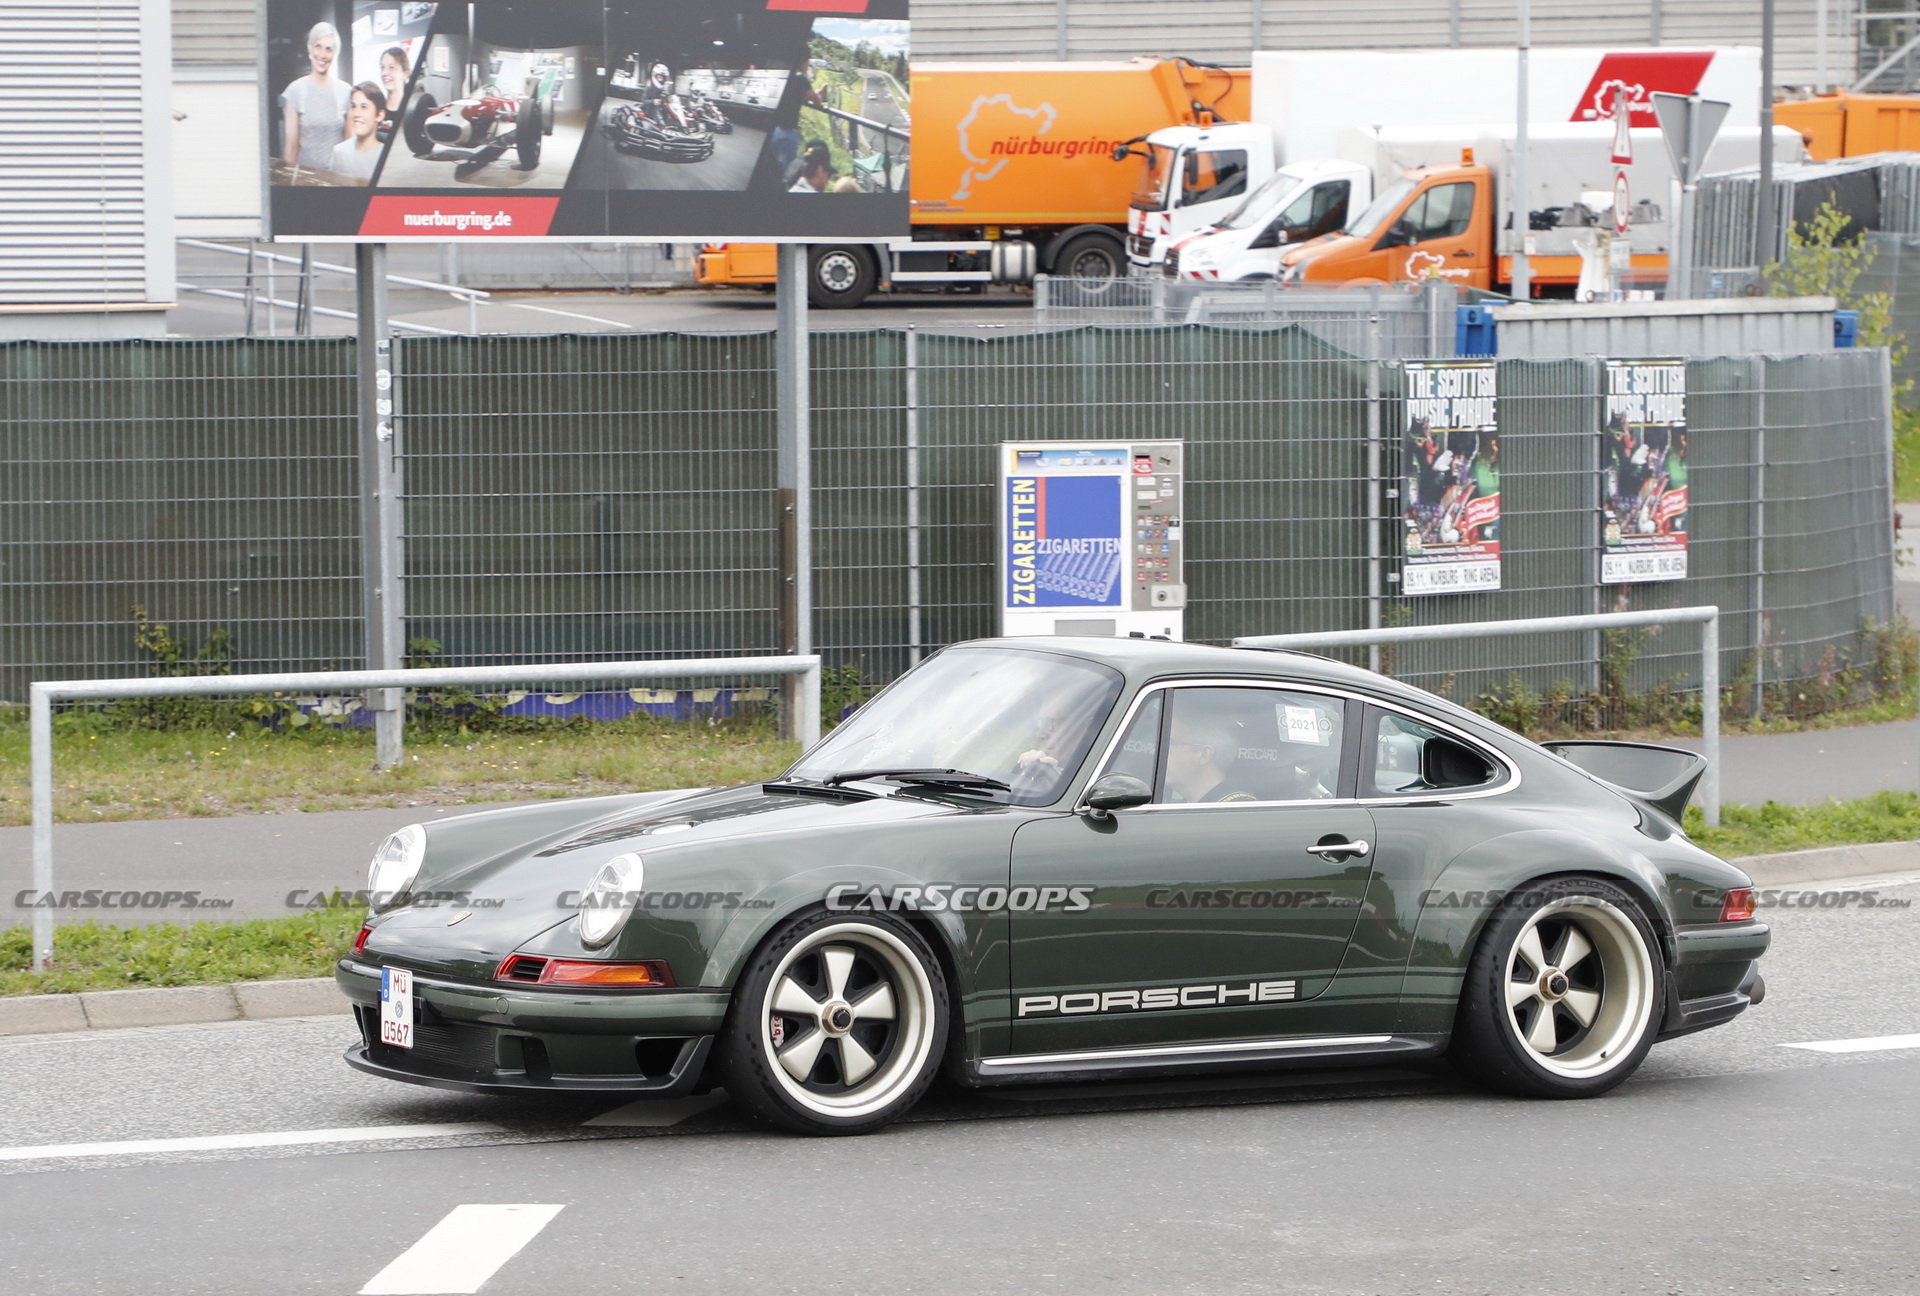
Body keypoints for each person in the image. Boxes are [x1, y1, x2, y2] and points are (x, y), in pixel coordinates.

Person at [280, 22, 351, 173]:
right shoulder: (295, 91)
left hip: (338, 179)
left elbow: (350, 145)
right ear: (310, 48)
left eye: (329, 49)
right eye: (318, 46)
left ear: (334, 53)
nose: (323, 55)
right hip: (304, 180)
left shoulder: (346, 91)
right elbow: (292, 146)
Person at [328, 82, 387, 182]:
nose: (356, 113)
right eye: (353, 106)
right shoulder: (339, 152)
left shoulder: (386, 156)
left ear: (379, 115)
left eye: (364, 107)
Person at [378, 45, 410, 114]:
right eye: (382, 68)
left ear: (405, 74)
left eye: (391, 67)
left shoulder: (412, 111)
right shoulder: (377, 112)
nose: (384, 73)